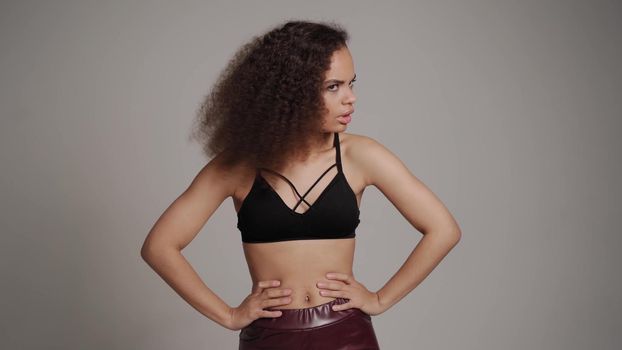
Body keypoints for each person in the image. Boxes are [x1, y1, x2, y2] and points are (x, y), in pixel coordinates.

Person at [140, 20, 461, 350]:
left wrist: (379, 299)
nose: (350, 98)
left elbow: (443, 229)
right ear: (291, 92)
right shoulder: (238, 165)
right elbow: (160, 246)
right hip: (270, 337)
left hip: (347, 333)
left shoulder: (361, 155)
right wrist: (228, 315)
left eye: (351, 83)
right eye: (333, 87)